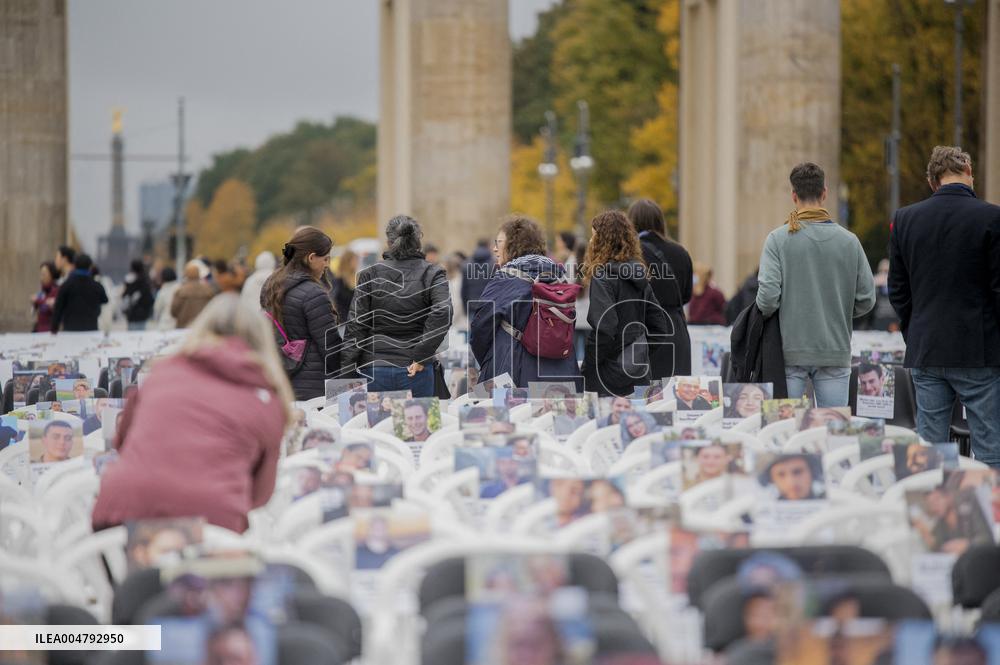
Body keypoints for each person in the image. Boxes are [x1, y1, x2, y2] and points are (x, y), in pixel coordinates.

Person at [91, 294, 292, 533]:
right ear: (262, 342)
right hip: (211, 526)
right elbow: (259, 494)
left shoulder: (163, 372)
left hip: (120, 515)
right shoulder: (268, 399)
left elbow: (121, 441)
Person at [889, 146, 1000, 461]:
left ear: (932, 181)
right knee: (990, 447)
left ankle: (933, 507)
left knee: (930, 447)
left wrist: (916, 330)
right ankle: (990, 510)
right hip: (979, 348)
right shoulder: (992, 217)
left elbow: (897, 290)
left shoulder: (905, 219)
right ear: (969, 174)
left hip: (927, 346)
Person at [756, 162, 875, 408]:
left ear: (793, 196)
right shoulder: (849, 242)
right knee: (833, 434)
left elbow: (767, 299)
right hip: (835, 349)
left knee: (783, 431)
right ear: (824, 193)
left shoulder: (778, 239)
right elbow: (867, 298)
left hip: (788, 352)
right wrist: (838, 311)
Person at [341, 216, 451, 398]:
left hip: (375, 367)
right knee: (420, 426)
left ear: (388, 242)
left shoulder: (369, 274)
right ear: (418, 241)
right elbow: (443, 311)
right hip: (414, 367)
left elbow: (356, 326)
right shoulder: (433, 272)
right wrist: (422, 355)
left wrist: (346, 373)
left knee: (371, 427)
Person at [470, 216, 580, 389]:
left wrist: (491, 360)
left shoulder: (505, 279)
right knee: (560, 416)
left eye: (499, 243)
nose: (494, 249)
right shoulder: (561, 278)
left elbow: (479, 328)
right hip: (562, 374)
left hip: (511, 374)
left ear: (513, 245)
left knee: (498, 416)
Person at [580, 210, 669, 396]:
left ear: (603, 241)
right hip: (639, 373)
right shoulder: (640, 275)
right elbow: (660, 328)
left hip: (606, 375)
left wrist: (589, 365)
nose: (590, 241)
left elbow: (605, 328)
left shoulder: (603, 276)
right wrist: (638, 352)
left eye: (593, 235)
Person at [260, 226, 342, 401]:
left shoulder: (272, 285)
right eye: (326, 258)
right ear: (311, 258)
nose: (327, 264)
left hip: (281, 380)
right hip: (314, 388)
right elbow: (330, 348)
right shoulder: (313, 293)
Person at [628, 199, 693, 378]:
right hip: (676, 329)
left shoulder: (631, 254)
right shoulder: (680, 252)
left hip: (643, 330)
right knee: (675, 396)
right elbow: (687, 295)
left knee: (644, 398)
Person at [51, 253, 108, 333]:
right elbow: (105, 300)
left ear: (74, 266)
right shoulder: (96, 286)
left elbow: (58, 307)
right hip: (90, 330)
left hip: (70, 330)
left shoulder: (67, 285)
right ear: (90, 267)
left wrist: (54, 328)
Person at [171, 261, 216, 328]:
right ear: (198, 274)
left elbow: (173, 312)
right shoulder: (208, 290)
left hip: (183, 327)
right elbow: (212, 309)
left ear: (186, 274)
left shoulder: (180, 291)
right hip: (202, 327)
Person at [461, 239, 495, 322]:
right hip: (490, 307)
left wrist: (466, 309)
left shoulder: (466, 265)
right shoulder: (495, 264)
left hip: (472, 306)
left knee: (473, 333)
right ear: (487, 246)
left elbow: (463, 290)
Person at [121, 259, 155, 331]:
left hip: (131, 314)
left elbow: (124, 296)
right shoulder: (146, 281)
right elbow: (150, 299)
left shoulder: (128, 280)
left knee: (131, 337)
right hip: (143, 314)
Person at [331, 249, 358, 324]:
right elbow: (336, 299)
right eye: (354, 260)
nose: (356, 263)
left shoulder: (357, 277)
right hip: (343, 319)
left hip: (355, 319)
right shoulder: (339, 280)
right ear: (347, 262)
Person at [31, 261, 59, 333]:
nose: (41, 277)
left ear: (51, 275)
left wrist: (38, 300)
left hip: (49, 332)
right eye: (41, 274)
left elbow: (51, 305)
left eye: (44, 274)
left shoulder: (56, 290)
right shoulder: (43, 291)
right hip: (39, 329)